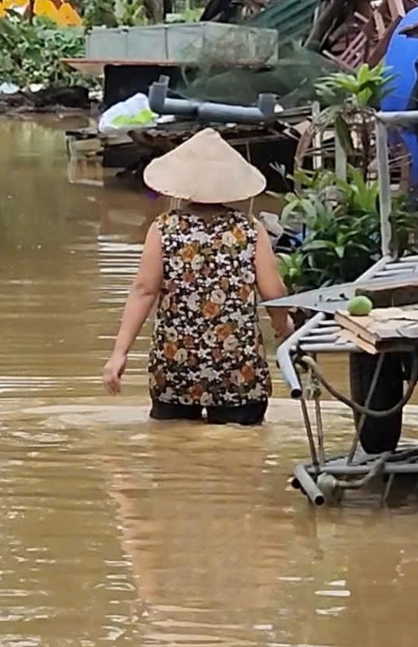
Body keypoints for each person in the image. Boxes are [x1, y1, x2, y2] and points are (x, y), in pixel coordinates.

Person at [102, 129, 294, 425]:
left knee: (171, 455)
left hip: (177, 366)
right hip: (237, 369)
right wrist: (286, 333)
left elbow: (144, 290)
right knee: (242, 455)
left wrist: (119, 353)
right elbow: (273, 293)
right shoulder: (250, 229)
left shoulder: (164, 228)